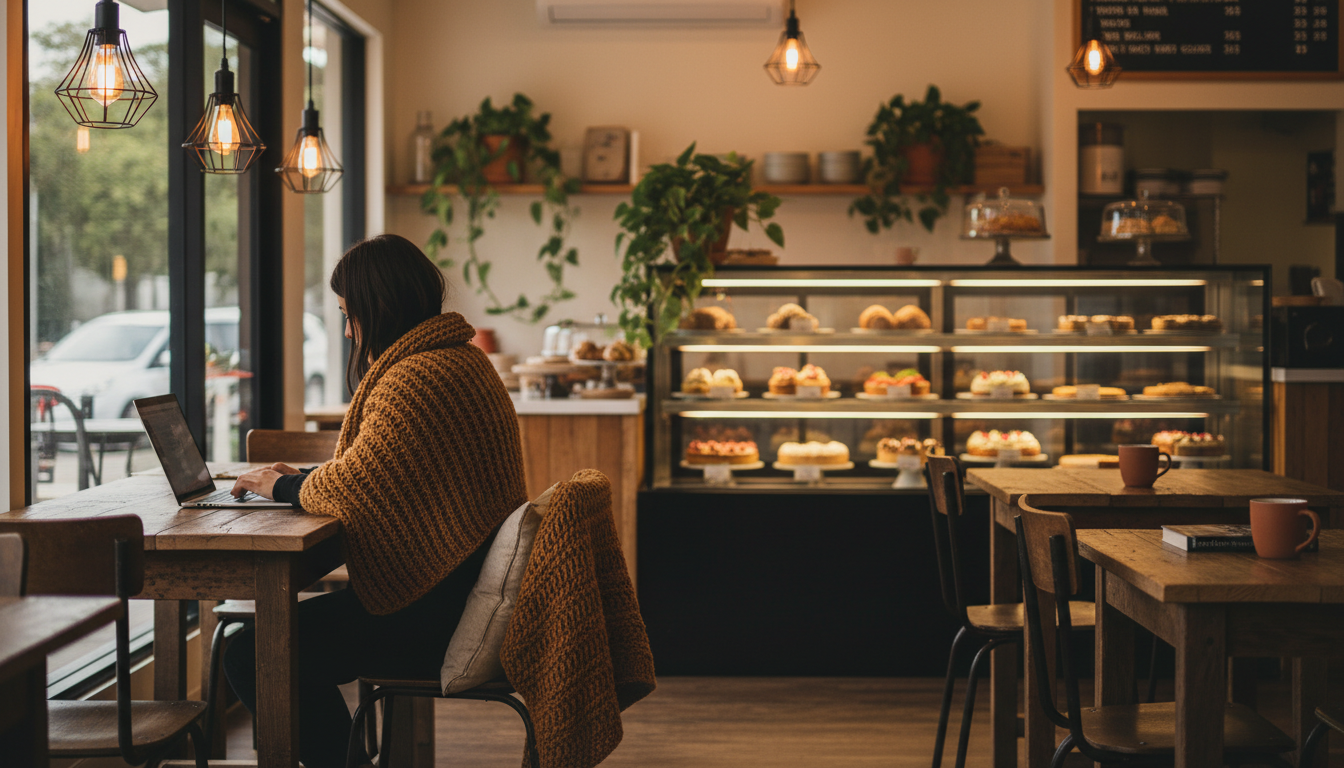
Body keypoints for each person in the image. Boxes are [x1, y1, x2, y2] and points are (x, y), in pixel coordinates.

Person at [223, 234, 527, 767]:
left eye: (349, 314)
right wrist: (304, 476)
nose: (346, 329)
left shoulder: (416, 377)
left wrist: (286, 487)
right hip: (458, 591)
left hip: (435, 616)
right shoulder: (459, 361)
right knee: (268, 647)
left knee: (253, 654)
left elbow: (353, 490)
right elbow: (383, 469)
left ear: (376, 309)